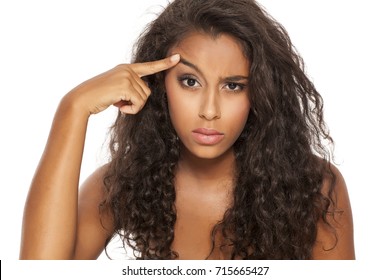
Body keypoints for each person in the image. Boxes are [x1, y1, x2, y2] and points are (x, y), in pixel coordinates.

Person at [19, 0, 355, 260]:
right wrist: (72, 109)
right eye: (190, 82)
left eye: (234, 86)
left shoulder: (314, 188)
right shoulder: (121, 184)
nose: (209, 111)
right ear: (161, 85)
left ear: (262, 93)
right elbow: (40, 272)